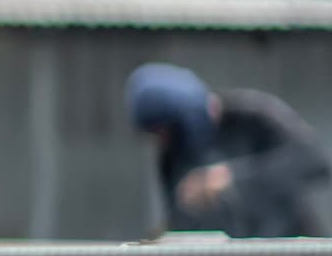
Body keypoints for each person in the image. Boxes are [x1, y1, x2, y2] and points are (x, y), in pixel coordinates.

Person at [127, 62, 332, 236]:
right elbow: (177, 220)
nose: (163, 141)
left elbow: (313, 160)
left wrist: (228, 176)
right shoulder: (172, 154)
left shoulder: (253, 115)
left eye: (166, 130)